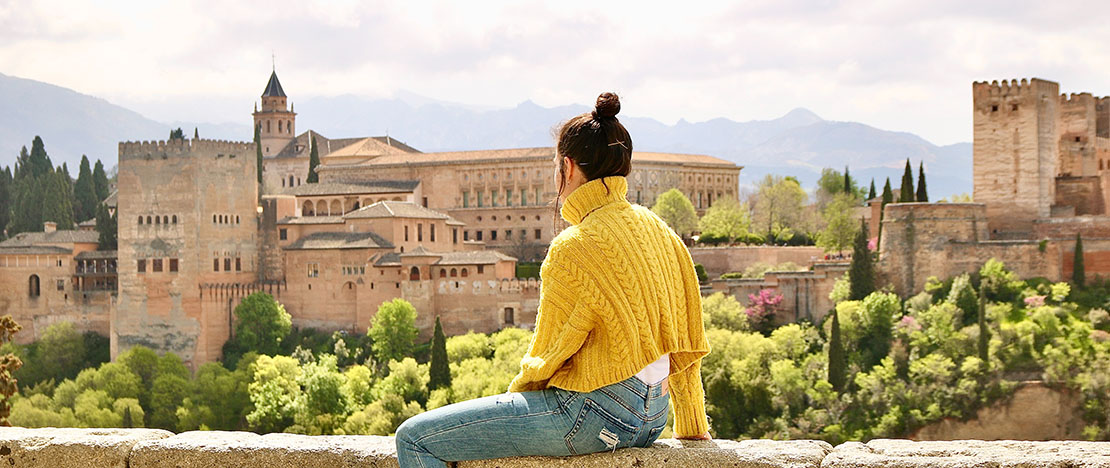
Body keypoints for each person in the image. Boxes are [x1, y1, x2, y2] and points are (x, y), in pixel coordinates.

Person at [394, 92, 711, 468]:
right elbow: (687, 336)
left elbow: (548, 354)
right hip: (653, 416)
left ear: (567, 166)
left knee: (414, 439)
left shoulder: (574, 246)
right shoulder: (661, 230)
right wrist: (691, 422)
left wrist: (514, 406)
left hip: (594, 414)